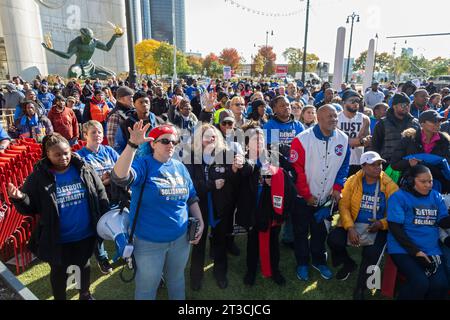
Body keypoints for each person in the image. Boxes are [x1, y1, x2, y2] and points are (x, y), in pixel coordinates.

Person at [7, 133, 109, 300]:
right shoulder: (39, 176)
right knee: (59, 270)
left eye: (66, 153)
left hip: (85, 234)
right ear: (48, 154)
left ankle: (85, 294)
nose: (63, 158)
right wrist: (20, 198)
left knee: (84, 264)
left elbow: (99, 193)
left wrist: (104, 220)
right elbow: (29, 207)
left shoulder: (84, 168)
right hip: (57, 238)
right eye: (57, 154)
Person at [111, 123, 204, 300]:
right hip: (149, 243)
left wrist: (200, 220)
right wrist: (132, 145)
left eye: (174, 142)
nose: (171, 145)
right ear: (153, 144)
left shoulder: (180, 167)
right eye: (165, 141)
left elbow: (191, 197)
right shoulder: (144, 164)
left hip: (180, 240)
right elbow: (119, 176)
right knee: (147, 288)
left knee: (176, 280)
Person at [289, 104, 350, 281]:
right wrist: (306, 194)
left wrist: (338, 188)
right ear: (319, 118)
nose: (334, 119)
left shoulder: (343, 139)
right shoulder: (301, 139)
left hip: (326, 199)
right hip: (303, 199)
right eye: (329, 116)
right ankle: (302, 262)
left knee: (320, 232)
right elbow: (296, 171)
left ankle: (319, 260)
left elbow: (344, 167)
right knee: (300, 232)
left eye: (335, 116)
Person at [327, 151, 398, 300]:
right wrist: (350, 227)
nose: (378, 167)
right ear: (363, 166)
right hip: (354, 223)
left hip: (377, 227)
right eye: (373, 165)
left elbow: (396, 210)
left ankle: (361, 288)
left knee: (371, 254)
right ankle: (348, 263)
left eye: (379, 164)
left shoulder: (389, 184)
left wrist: (381, 223)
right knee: (334, 239)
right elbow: (344, 205)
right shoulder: (352, 180)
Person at [236, 123, 298, 286]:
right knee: (252, 242)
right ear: (247, 142)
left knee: (273, 242)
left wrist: (276, 181)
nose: (260, 142)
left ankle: (275, 270)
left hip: (272, 210)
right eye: (255, 139)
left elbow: (292, 176)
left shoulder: (274, 156)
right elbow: (236, 183)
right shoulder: (242, 159)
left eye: (261, 138)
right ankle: (251, 270)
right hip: (251, 209)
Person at [186, 124, 242, 290]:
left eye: (214, 136)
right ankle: (196, 277)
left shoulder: (225, 154)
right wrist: (211, 185)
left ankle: (220, 273)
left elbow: (232, 181)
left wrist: (234, 170)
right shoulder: (191, 155)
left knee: (220, 241)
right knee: (198, 242)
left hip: (220, 205)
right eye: (206, 136)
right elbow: (189, 184)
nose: (211, 139)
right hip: (198, 205)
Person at [387, 165, 450, 300]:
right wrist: (416, 252)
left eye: (431, 181)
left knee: (441, 285)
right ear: (411, 181)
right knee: (420, 283)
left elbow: (443, 221)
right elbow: (395, 229)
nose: (428, 185)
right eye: (423, 181)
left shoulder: (436, 196)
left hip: (431, 249)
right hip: (403, 249)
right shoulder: (398, 197)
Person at [77, 120, 128, 274]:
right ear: (85, 135)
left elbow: (122, 169)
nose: (98, 135)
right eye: (93, 132)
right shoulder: (79, 156)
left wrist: (109, 178)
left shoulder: (109, 151)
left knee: (121, 224)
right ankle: (102, 259)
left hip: (115, 195)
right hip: (95, 199)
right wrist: (107, 179)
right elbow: (85, 181)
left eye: (99, 131)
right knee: (97, 230)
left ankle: (125, 252)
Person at [391, 109, 450, 194]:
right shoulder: (409, 139)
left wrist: (421, 164)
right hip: (410, 187)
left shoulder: (444, 141)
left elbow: (446, 166)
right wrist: (409, 163)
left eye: (439, 121)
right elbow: (395, 164)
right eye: (434, 121)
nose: (438, 123)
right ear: (422, 123)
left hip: (437, 188)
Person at [41, 27, 123, 79]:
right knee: (72, 72)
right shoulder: (76, 43)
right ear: (82, 36)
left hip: (91, 65)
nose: (90, 41)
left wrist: (114, 37)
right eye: (87, 39)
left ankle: (89, 77)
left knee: (112, 75)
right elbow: (67, 56)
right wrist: (51, 50)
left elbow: (107, 48)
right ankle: (89, 77)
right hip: (79, 65)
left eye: (91, 39)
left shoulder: (94, 41)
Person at [370, 93, 420, 165]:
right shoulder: (382, 123)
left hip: (410, 164)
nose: (406, 107)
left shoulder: (415, 123)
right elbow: (375, 146)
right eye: (403, 105)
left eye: (408, 105)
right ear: (394, 106)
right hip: (388, 165)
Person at [337, 90, 371, 177]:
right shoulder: (336, 118)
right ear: (343, 102)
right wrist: (359, 141)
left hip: (358, 160)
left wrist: (353, 141)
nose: (355, 103)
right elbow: (337, 141)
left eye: (357, 101)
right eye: (352, 100)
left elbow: (367, 142)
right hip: (339, 160)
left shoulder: (364, 119)